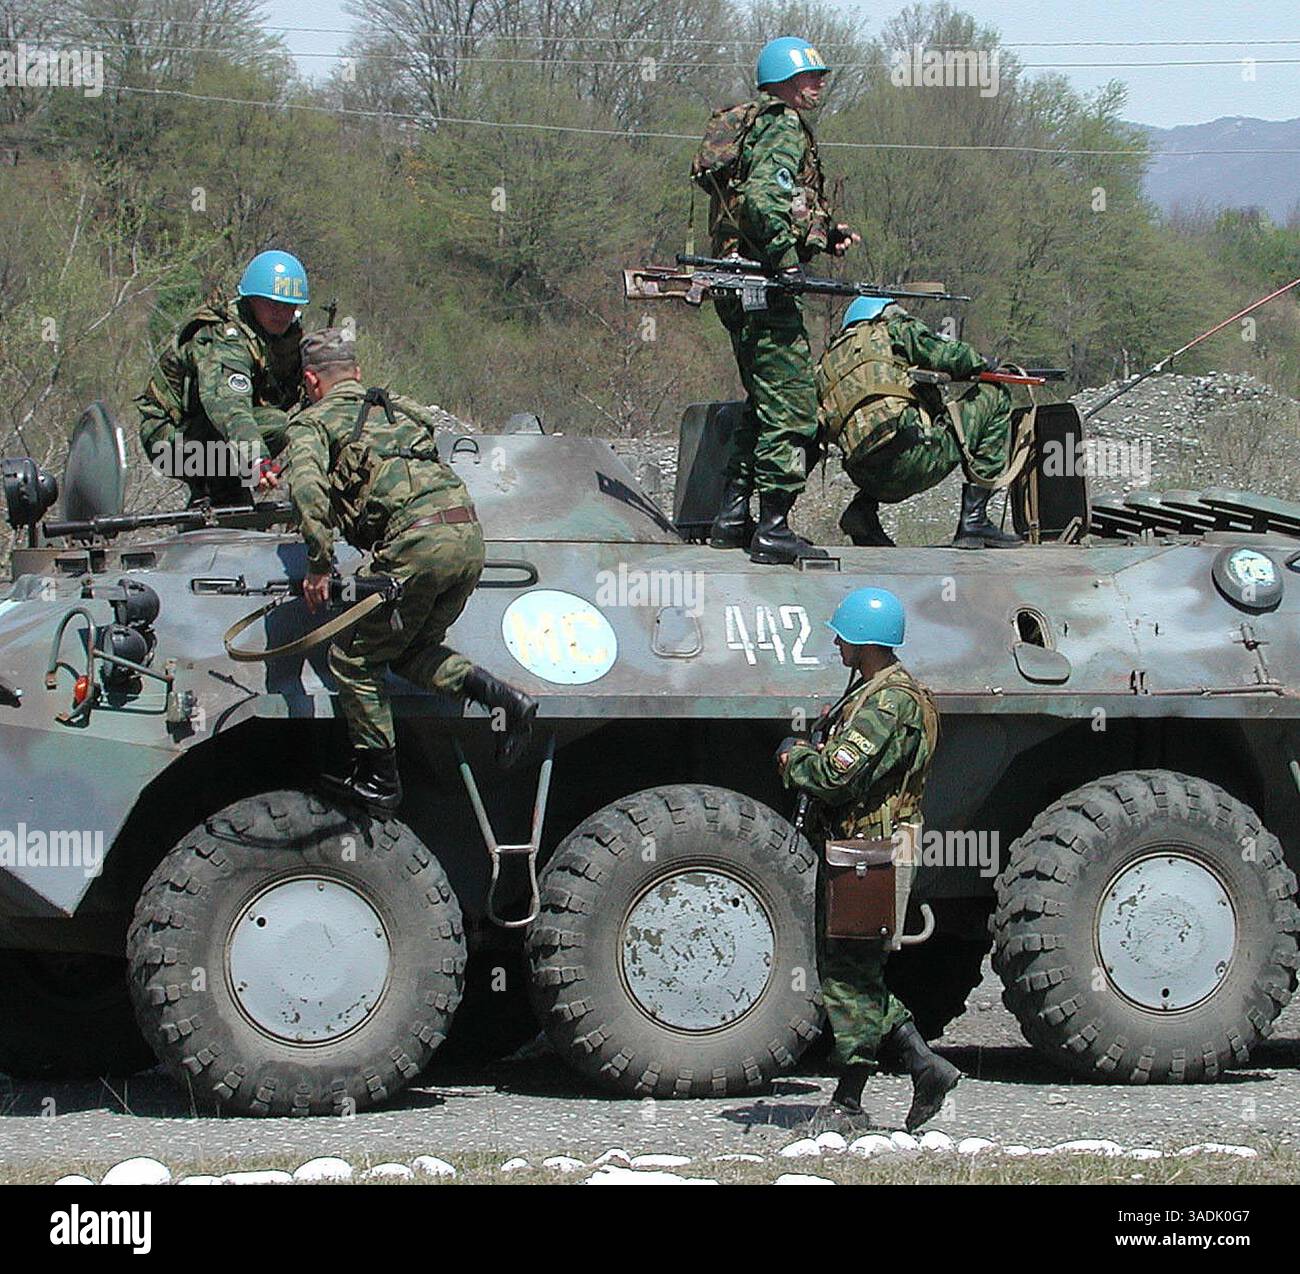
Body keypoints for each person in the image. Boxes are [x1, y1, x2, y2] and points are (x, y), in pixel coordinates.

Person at [285, 328, 537, 814]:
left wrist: (319, 564)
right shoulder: (403, 409)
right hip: (467, 536)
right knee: (409, 650)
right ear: (357, 373)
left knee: (354, 660)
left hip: (416, 545)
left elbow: (308, 493)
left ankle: (380, 780)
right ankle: (505, 700)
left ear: (313, 381)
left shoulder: (312, 423)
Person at [778, 587, 961, 1135]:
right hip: (863, 848)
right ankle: (926, 1068)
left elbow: (837, 774)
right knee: (851, 972)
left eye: (843, 636)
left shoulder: (889, 702)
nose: (836, 643)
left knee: (850, 975)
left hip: (871, 851)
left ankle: (851, 1101)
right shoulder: (874, 691)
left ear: (864, 642)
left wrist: (793, 760)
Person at [700, 35, 860, 564]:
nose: (819, 84)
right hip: (761, 288)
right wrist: (785, 261)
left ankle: (730, 518)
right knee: (794, 407)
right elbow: (767, 200)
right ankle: (773, 528)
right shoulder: (783, 124)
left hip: (738, 284)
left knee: (764, 405)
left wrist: (823, 234)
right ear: (787, 80)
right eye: (811, 76)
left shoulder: (754, 126)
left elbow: (770, 201)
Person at [816, 296, 1024, 548]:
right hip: (911, 459)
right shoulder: (893, 329)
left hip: (865, 475)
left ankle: (862, 512)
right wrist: (983, 362)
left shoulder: (827, 364)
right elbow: (950, 355)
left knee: (876, 434)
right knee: (995, 393)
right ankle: (974, 520)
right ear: (884, 314)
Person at [136, 250, 309, 505]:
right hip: (168, 441)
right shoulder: (224, 337)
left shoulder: (283, 340)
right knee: (276, 425)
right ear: (251, 300)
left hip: (207, 436)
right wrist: (256, 459)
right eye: (273, 304)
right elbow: (230, 408)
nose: (281, 313)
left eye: (289, 306)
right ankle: (216, 488)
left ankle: (224, 493)